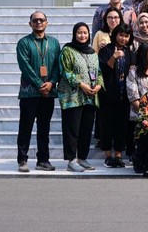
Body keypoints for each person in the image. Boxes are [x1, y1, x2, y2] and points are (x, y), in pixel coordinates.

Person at [16, 11, 61, 172]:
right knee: (25, 127)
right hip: (29, 93)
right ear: (30, 24)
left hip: (48, 93)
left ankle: (43, 160)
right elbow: (24, 66)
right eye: (35, 20)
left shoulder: (54, 43)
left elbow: (58, 65)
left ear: (47, 23)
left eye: (42, 20)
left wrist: (52, 82)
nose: (38, 23)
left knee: (44, 128)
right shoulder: (24, 43)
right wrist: (39, 84)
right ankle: (22, 159)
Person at [58, 22, 104, 172]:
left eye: (85, 33)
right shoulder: (68, 50)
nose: (82, 35)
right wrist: (82, 85)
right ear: (74, 34)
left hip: (90, 97)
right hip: (73, 97)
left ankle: (82, 158)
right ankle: (71, 160)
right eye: (79, 33)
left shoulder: (92, 53)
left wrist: (98, 86)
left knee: (86, 129)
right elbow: (66, 72)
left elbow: (98, 73)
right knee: (72, 129)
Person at [98, 24, 134, 168]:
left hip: (124, 96)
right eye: (121, 35)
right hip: (108, 95)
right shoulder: (106, 50)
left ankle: (118, 155)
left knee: (121, 126)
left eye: (126, 36)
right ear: (115, 35)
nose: (123, 39)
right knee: (106, 125)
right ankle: (108, 156)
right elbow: (103, 71)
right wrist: (114, 56)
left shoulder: (130, 53)